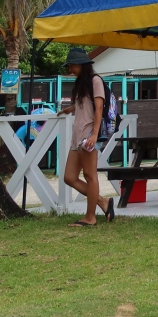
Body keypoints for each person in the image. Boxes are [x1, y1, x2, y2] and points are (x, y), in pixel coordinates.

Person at [59, 48, 114, 226]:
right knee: (69, 177)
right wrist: (68, 109)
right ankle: (102, 201)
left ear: (82, 64)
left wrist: (95, 134)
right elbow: (83, 105)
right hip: (77, 136)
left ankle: (90, 217)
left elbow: (99, 108)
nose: (70, 70)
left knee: (90, 175)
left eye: (72, 66)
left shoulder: (95, 80)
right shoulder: (81, 83)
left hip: (89, 135)